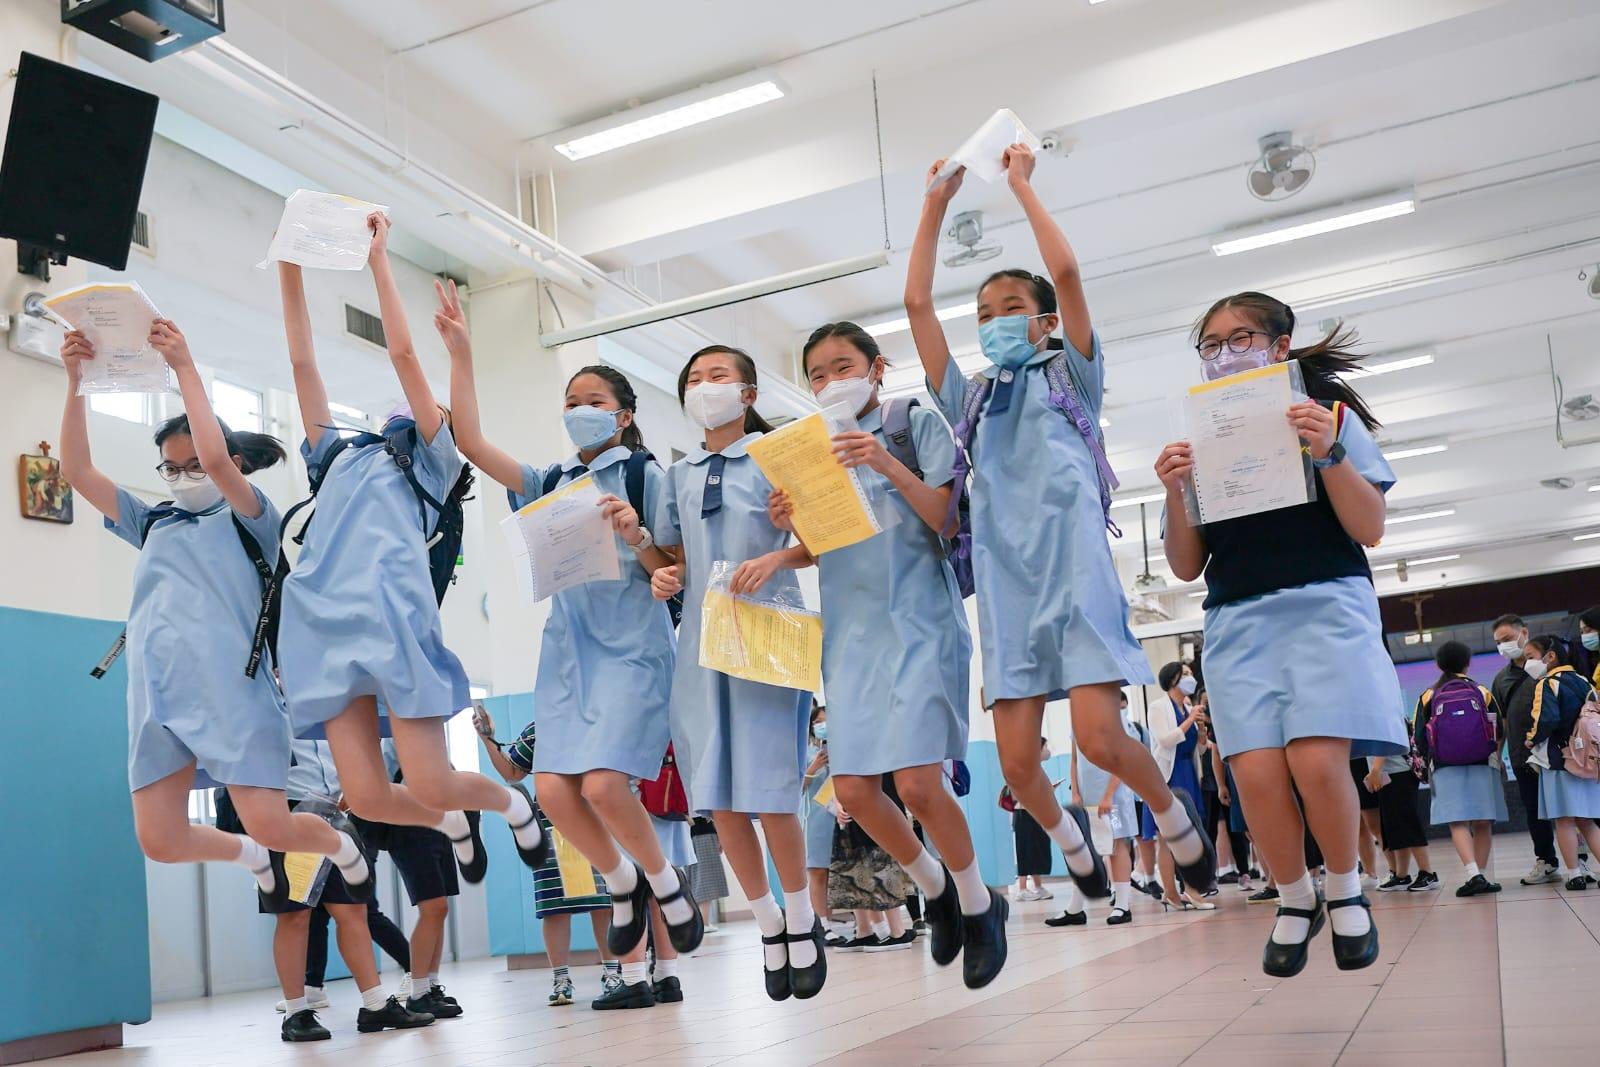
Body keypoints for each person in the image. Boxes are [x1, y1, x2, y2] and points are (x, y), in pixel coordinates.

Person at [906, 143, 1212, 915]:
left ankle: (1173, 815)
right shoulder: (972, 397)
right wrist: (934, 205)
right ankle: (1071, 843)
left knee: (1102, 740)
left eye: (1010, 307)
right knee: (1016, 765)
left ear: (1043, 320)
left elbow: (1068, 273)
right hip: (1007, 591)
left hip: (1075, 576)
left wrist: (1019, 186)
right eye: (983, 314)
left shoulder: (1071, 373)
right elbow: (916, 307)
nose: (993, 322)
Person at [57, 326, 382, 1043]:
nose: (182, 475)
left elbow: (211, 457)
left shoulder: (250, 518)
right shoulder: (152, 522)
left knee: (274, 822)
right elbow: (76, 469)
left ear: (232, 463)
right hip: (156, 698)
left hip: (234, 695)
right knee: (160, 840)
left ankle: (336, 844)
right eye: (167, 466)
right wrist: (75, 382)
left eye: (191, 462)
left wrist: (182, 365)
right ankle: (252, 859)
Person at [441, 281, 702, 1009]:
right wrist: (461, 353)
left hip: (632, 647)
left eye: (593, 399)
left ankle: (663, 883)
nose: (578, 409)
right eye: (570, 400)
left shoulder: (649, 475)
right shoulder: (553, 481)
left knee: (604, 785)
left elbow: (675, 570)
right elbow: (470, 443)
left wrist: (637, 535)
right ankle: (621, 881)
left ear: (623, 415)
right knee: (554, 790)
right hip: (567, 651)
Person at [272, 228, 545, 884]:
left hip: (392, 623)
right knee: (366, 797)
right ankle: (450, 823)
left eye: (428, 407)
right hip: (321, 628)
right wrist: (289, 266)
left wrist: (378, 261)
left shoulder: (432, 464)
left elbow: (401, 353)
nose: (412, 407)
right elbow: (303, 365)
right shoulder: (336, 457)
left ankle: (512, 803)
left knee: (431, 778)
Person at [1157, 292, 1405, 978]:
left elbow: (1370, 527)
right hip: (1237, 617)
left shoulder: (1327, 416)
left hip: (1326, 602)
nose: (1226, 354)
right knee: (1256, 772)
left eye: (1242, 338)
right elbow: (1185, 565)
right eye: (1212, 345)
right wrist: (1175, 490)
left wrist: (1328, 452)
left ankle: (1345, 887)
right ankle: (1295, 896)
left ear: (1280, 345)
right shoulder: (1197, 438)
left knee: (1318, 760)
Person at [770, 320, 1003, 987]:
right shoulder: (811, 447)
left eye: (842, 366)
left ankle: (980, 905)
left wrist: (883, 462)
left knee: (920, 784)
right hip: (851, 637)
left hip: (920, 625)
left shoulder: (911, 423)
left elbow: (947, 518)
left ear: (876, 368)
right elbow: (826, 547)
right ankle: (936, 888)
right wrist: (790, 523)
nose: (829, 382)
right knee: (853, 790)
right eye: (816, 374)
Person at [650, 345, 824, 1001]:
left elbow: (823, 540)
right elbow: (672, 555)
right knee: (719, 799)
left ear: (748, 393)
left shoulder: (780, 454)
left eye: (717, 376)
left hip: (769, 636)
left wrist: (783, 546)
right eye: (694, 379)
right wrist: (666, 574)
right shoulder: (677, 475)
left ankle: (803, 920)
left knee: (772, 792)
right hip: (702, 646)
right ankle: (768, 922)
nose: (705, 386)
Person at [256, 741, 433, 1039]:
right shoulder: (272, 713)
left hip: (335, 812)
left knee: (353, 908)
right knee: (294, 913)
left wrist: (355, 784)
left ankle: (375, 1005)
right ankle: (296, 1012)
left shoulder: (328, 715)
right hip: (288, 808)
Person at [474, 714, 624, 1006]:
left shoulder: (597, 721)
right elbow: (512, 772)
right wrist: (487, 737)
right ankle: (561, 979)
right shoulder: (538, 727)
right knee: (554, 907)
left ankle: (612, 973)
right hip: (549, 823)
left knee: (603, 903)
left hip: (593, 819)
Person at [373, 741, 466, 1018]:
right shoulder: (393, 734)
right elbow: (388, 777)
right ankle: (418, 992)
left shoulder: (429, 730)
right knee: (433, 907)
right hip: (409, 825)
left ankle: (431, 987)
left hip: (439, 821)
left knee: (440, 909)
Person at [1412, 642, 1507, 897]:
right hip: (1482, 763)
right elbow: (1498, 729)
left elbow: (1419, 737)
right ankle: (1482, 876)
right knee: (1483, 821)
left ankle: (1473, 874)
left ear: (1439, 665)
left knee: (1458, 822)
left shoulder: (1429, 695)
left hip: (1445, 767)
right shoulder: (1482, 691)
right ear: (1468, 663)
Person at [1053, 705, 1141, 926]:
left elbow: (1121, 758)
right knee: (1084, 850)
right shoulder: (1077, 719)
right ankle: (1075, 908)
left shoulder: (1114, 716)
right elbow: (1075, 760)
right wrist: (1075, 792)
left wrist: (1109, 794)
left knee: (1116, 846)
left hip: (1114, 796)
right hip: (1087, 796)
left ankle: (1122, 905)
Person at [1524, 636, 1600, 890]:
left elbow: (1546, 720)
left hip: (1559, 760)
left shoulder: (1547, 683)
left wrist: (1530, 739)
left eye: (1531, 657)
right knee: (1586, 820)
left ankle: (1574, 874)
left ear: (1550, 656)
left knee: (1564, 820)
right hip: (1588, 758)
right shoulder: (1583, 680)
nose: (1527, 663)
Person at [1144, 664, 1216, 913]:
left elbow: (1200, 749)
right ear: (1172, 680)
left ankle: (1190, 890)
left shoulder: (1187, 708)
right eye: (1184, 674)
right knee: (1167, 838)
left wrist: (1201, 731)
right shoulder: (1158, 707)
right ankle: (1173, 892)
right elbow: (1165, 740)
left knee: (1189, 836)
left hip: (1188, 774)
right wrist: (1189, 721)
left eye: (1190, 674)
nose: (1190, 678)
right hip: (1168, 777)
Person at [1493, 614, 1559, 885]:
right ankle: (1546, 860)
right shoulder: (1501, 679)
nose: (1503, 645)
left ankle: (1579, 859)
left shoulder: (1548, 666)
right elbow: (1502, 721)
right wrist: (1497, 755)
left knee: (1571, 809)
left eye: (1507, 638)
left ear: (1524, 633)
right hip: (1522, 756)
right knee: (1534, 811)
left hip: (1557, 752)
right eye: (1498, 642)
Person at [1367, 743, 1434, 893]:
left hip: (1398, 772)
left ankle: (1427, 872)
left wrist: (1375, 769)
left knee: (1408, 823)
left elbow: (1384, 742)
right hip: (1388, 773)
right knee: (1395, 826)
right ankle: (1401, 875)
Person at [1006, 738, 1057, 904]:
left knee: (1036, 849)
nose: (1047, 750)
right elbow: (1017, 794)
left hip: (1035, 813)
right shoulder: (1021, 768)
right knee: (1025, 851)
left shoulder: (1036, 769)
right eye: (1045, 747)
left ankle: (1038, 886)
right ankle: (1022, 889)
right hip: (1024, 814)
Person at [803, 705, 836, 926]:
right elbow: (798, 787)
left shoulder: (841, 749)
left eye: (826, 721)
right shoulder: (805, 752)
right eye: (817, 722)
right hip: (816, 817)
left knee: (836, 872)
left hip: (840, 817)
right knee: (818, 871)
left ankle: (829, 921)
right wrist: (814, 767)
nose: (822, 725)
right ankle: (821, 923)